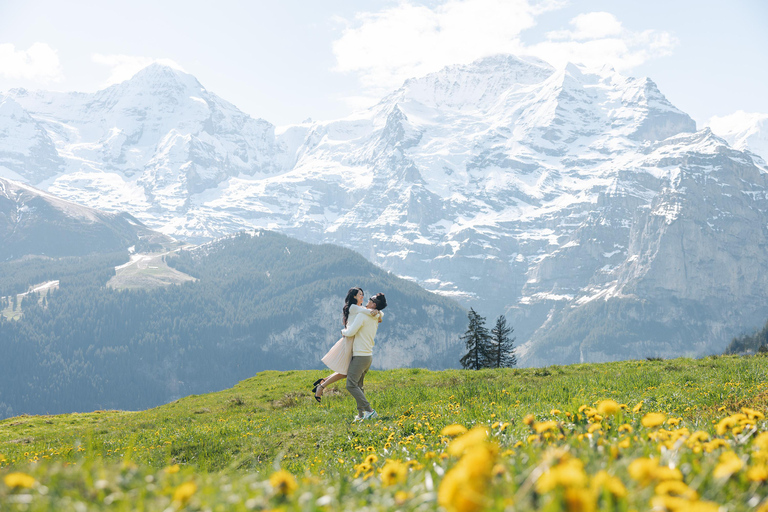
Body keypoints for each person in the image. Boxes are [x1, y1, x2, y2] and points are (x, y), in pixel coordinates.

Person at [313, 287, 381, 402]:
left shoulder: (359, 308)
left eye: (363, 294)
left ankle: (323, 382)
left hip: (353, 340)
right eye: (360, 294)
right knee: (346, 371)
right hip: (349, 340)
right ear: (354, 296)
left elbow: (373, 313)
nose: (362, 296)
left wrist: (379, 312)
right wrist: (377, 312)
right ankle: (321, 386)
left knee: (346, 371)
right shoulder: (354, 308)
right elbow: (370, 312)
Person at [342, 293, 387, 421]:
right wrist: (377, 312)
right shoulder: (375, 315)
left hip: (360, 356)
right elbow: (380, 314)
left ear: (374, 304)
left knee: (351, 385)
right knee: (359, 386)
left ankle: (369, 411)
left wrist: (342, 332)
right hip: (368, 356)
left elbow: (351, 332)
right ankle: (362, 415)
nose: (368, 300)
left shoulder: (363, 315)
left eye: (371, 299)